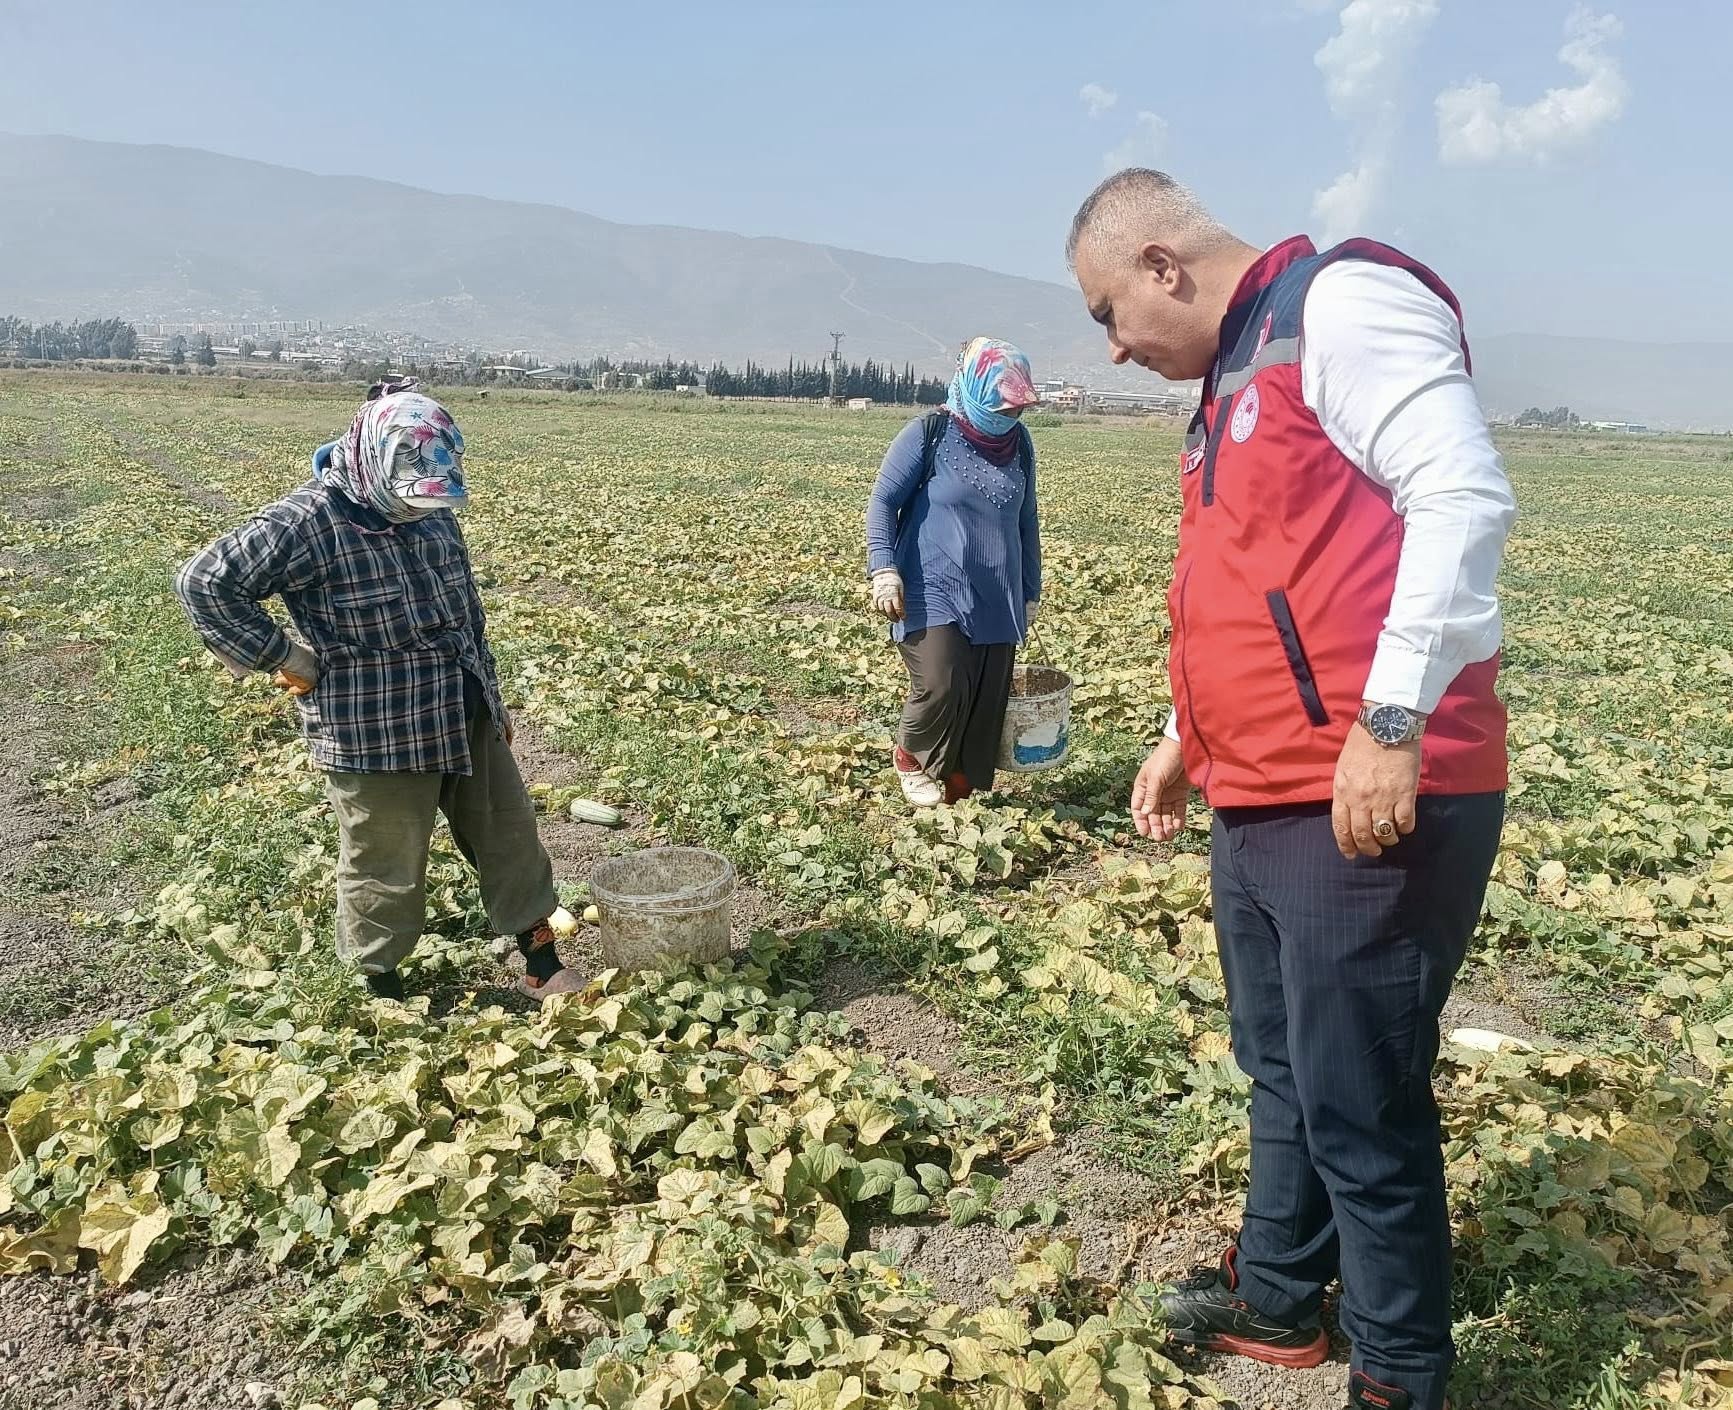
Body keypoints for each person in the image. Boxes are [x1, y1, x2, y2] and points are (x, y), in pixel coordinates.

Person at [1067, 169, 1515, 1410]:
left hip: (1362, 791)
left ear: (1161, 265)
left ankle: (1397, 1371)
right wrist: (1183, 732)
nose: (1112, 348)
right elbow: (1256, 571)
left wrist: (1389, 719)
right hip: (1258, 791)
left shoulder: (1343, 305)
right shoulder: (1232, 374)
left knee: (1358, 1098)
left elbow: (1459, 497)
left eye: (1108, 313)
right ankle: (1275, 1294)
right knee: (1280, 1066)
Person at [174, 379, 581, 1003]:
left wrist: (492, 695)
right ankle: (378, 986)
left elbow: (466, 612)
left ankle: (541, 963)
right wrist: (284, 656)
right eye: (410, 501)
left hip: (461, 703)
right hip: (374, 729)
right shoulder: (307, 521)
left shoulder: (431, 509)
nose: (419, 511)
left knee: (510, 836)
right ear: (371, 460)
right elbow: (205, 582)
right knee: (384, 862)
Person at [864, 337, 1043, 807]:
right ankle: (911, 756)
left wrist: (1030, 590)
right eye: (1002, 406)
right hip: (932, 583)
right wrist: (883, 569)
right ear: (976, 389)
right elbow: (883, 501)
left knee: (984, 694)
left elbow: (1027, 520)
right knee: (941, 681)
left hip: (997, 589)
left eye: (1017, 408)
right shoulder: (929, 432)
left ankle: (957, 791)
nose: (1010, 416)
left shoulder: (1020, 444)